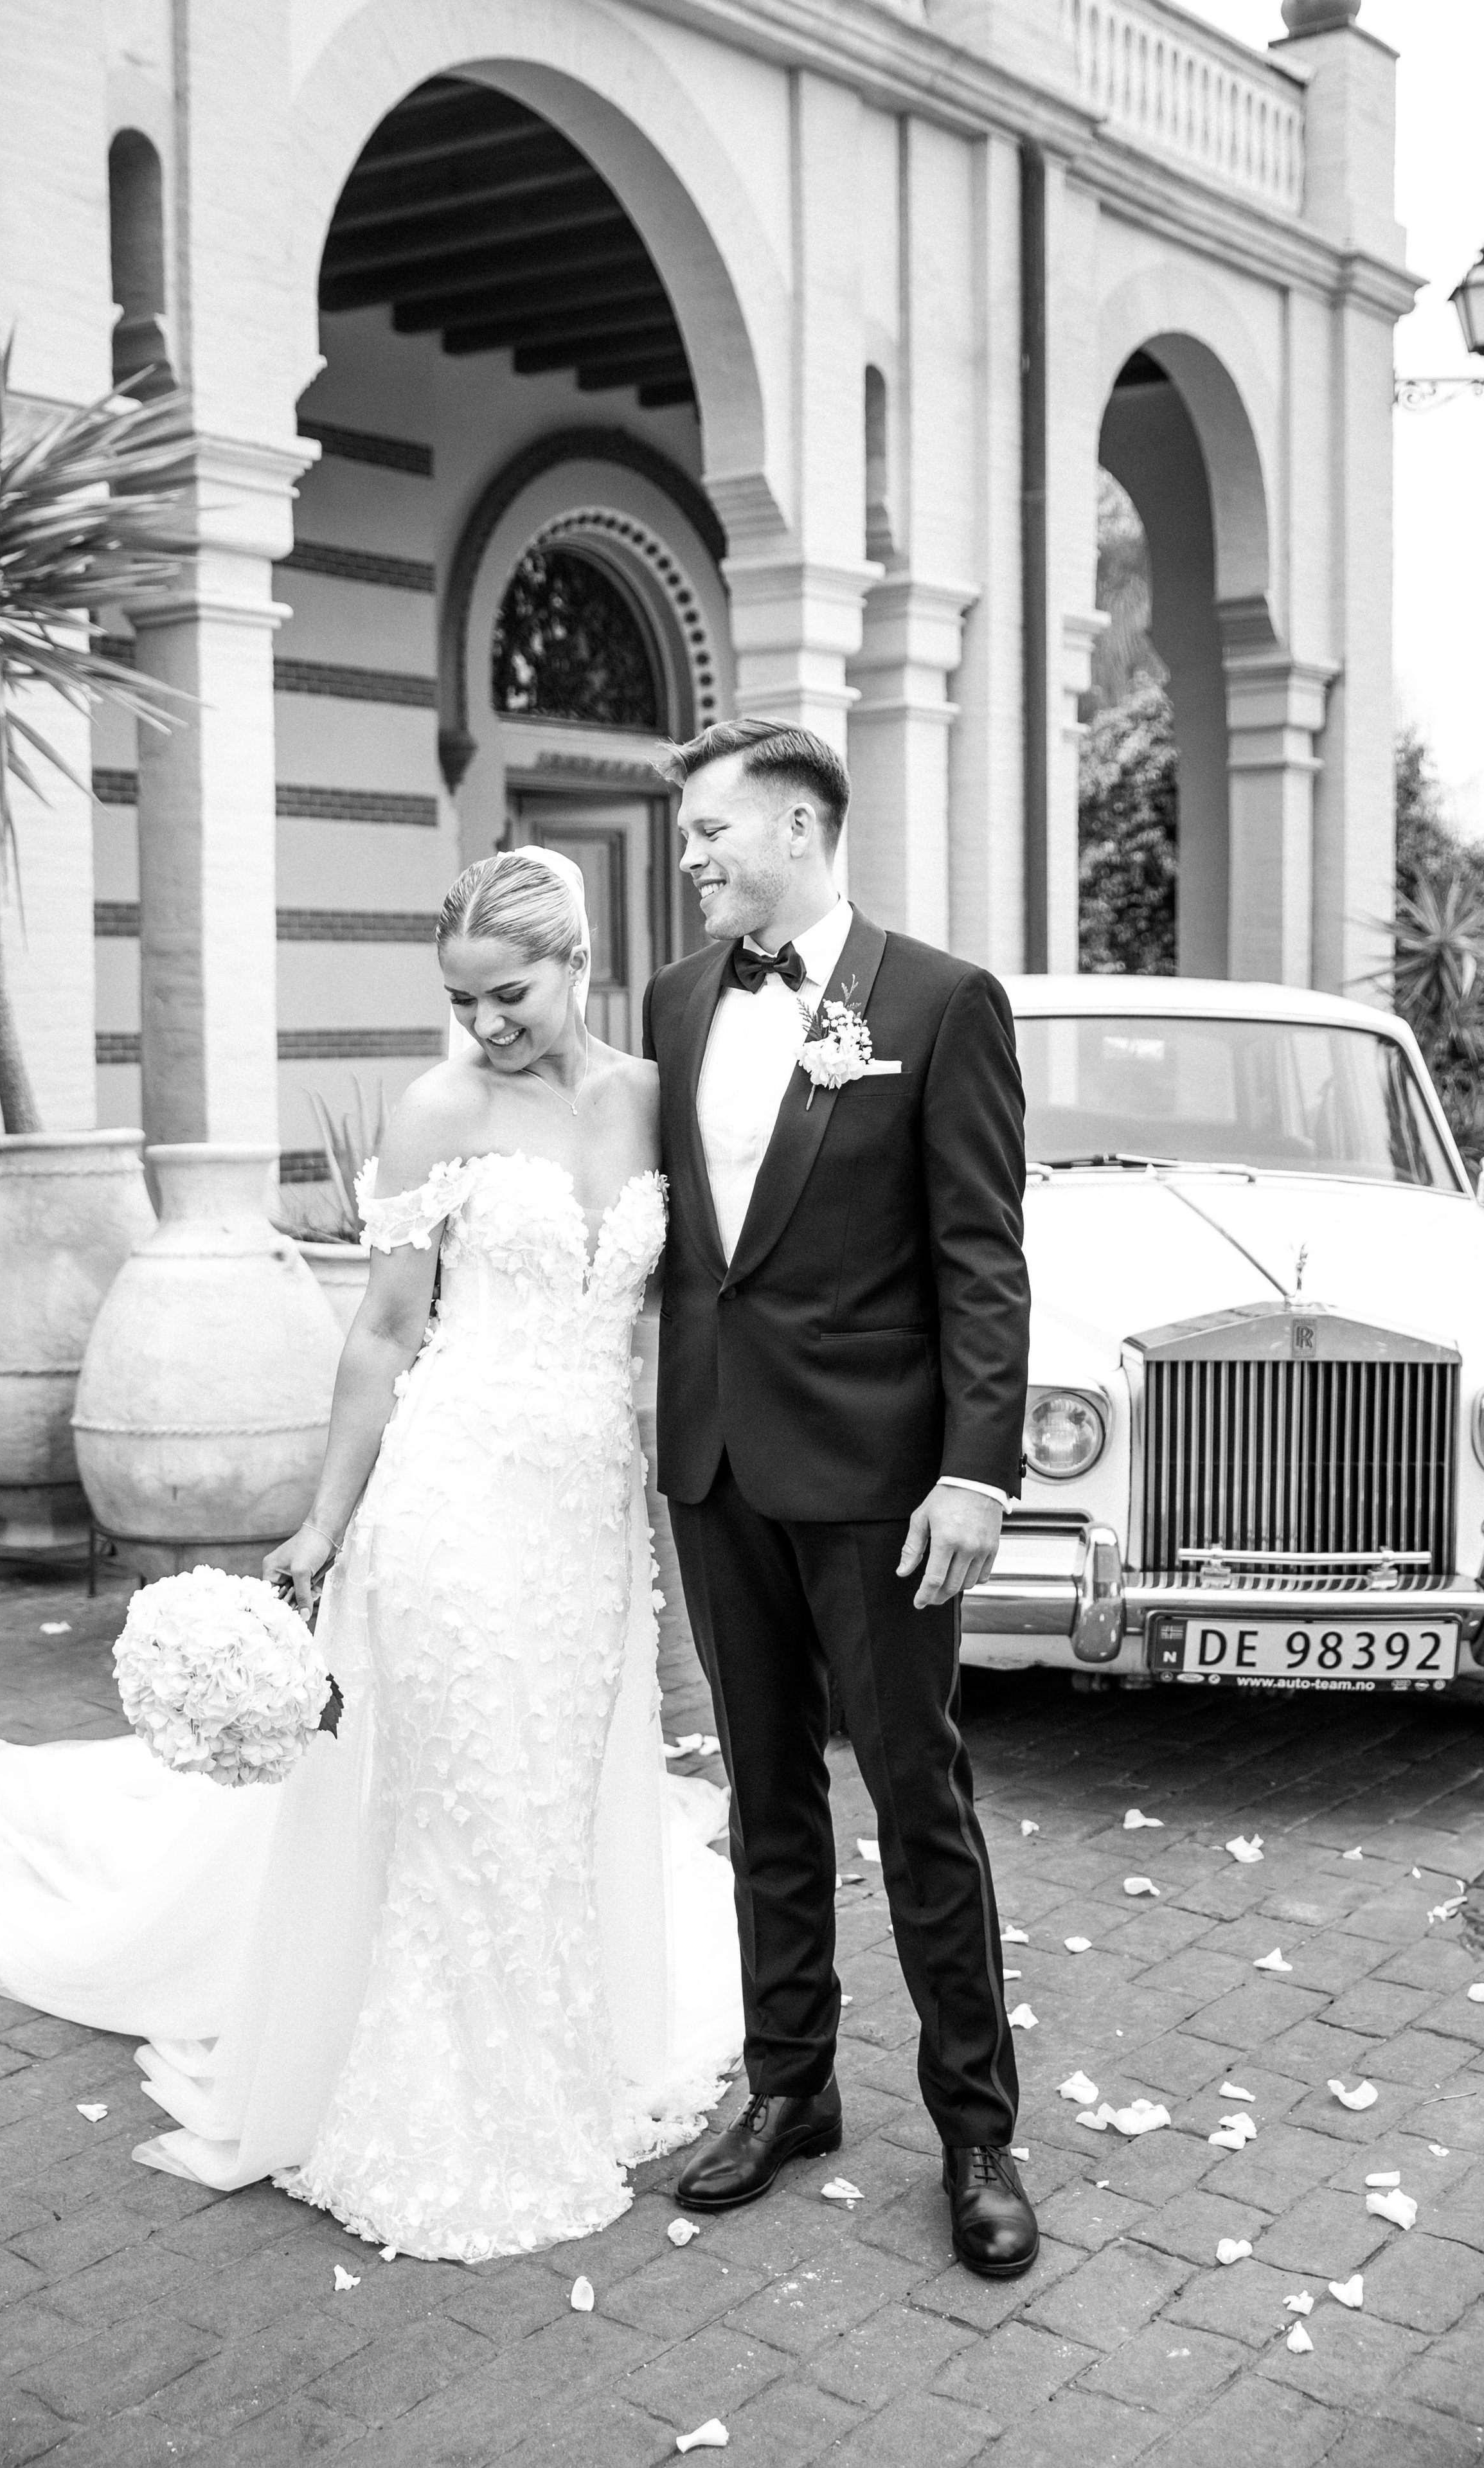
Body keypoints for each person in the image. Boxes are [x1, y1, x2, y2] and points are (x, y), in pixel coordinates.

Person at [0, 846, 741, 2265]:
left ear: (575, 962)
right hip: (451, 1498)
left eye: (507, 994)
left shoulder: (648, 1098)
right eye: (460, 998)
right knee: (462, 1794)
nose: (484, 1023)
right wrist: (324, 1523)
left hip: (587, 1519)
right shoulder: (439, 1110)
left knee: (552, 1787)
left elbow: (682, 1309)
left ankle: (556, 2048)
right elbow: (384, 1329)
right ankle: (453, 2102)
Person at [643, 719, 1039, 2278]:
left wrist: (974, 1469)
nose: (688, 857)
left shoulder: (939, 1003)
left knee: (915, 1797)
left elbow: (980, 1257)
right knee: (763, 1793)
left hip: (881, 1480)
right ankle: (789, 2086)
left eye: (710, 831)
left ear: (799, 828)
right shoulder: (675, 1002)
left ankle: (975, 2132)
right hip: (715, 1465)